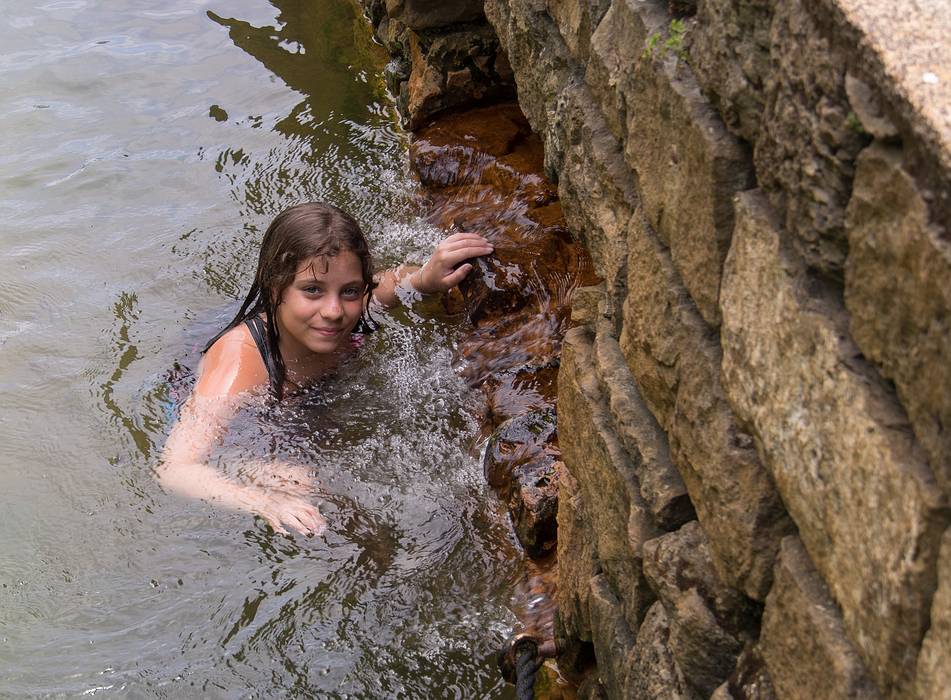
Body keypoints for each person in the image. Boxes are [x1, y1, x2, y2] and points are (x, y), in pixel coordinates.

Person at [157, 202, 493, 537]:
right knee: (300, 482)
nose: (333, 311)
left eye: (349, 290)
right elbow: (176, 468)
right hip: (232, 425)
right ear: (276, 288)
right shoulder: (240, 363)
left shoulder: (350, 307)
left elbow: (391, 283)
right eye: (312, 290)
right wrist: (262, 501)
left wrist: (424, 278)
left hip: (299, 402)